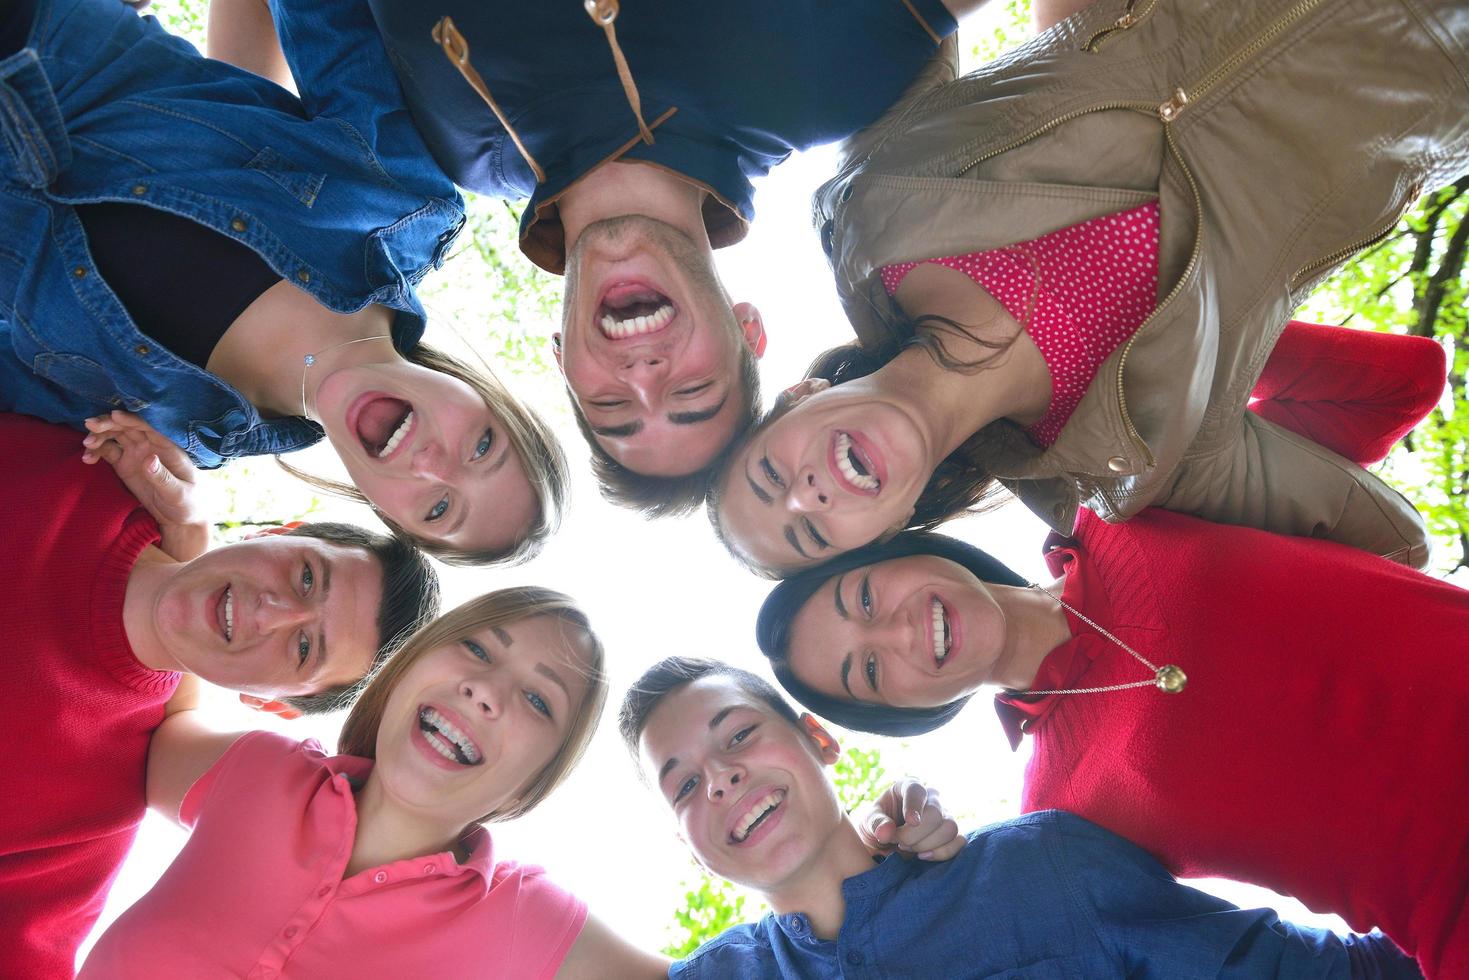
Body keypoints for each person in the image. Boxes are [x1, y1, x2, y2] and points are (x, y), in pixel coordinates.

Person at [749, 326, 1468, 977]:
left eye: (866, 599)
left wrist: (1156, 349)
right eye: (868, 671)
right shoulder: (1059, 821)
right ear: (905, 714)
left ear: (904, 548)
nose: (899, 633)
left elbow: (1397, 382)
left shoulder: (1130, 500)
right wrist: (914, 863)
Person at [709, 0, 1469, 575]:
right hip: (1433, 61)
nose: (807, 492)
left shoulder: (870, 207)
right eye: (811, 531)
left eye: (771, 473)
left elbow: (913, 18)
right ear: (893, 527)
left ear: (799, 397)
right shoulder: (1148, 463)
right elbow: (1390, 540)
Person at [364, 0, 1087, 512]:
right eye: (691, 393)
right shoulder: (826, 81)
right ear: (748, 328)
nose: (643, 377)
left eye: (611, 404)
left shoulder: (439, 147)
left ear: (560, 358)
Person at [76, 589, 950, 978]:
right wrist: (184, 548)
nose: (486, 692)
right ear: (409, 668)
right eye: (478, 649)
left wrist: (873, 862)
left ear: (531, 783)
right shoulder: (259, 775)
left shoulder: (528, 922)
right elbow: (165, 726)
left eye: (535, 699)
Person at [0, 0, 566, 565]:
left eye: (439, 509)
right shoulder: (400, 204)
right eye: (483, 446)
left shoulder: (183, 434)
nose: (433, 464)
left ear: (381, 512)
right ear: (484, 397)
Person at [619, 657, 1420, 978]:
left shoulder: (1039, 869)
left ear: (819, 740)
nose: (719, 778)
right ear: (687, 847)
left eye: (739, 734)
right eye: (682, 785)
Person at [0, 413, 440, 980]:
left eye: (304, 648)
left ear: (272, 704)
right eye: (307, 577)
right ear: (277, 533)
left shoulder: (92, 818)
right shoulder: (94, 460)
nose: (272, 611)